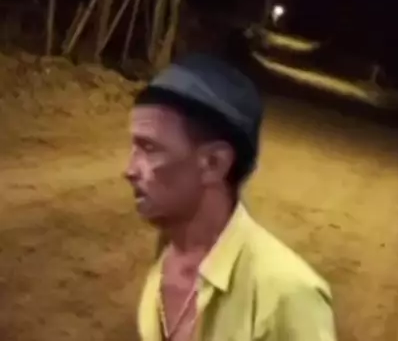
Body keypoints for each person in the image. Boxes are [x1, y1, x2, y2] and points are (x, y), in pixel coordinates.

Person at [125, 50, 337, 340]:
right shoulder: (166, 262)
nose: (129, 170)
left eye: (149, 149)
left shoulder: (288, 294)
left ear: (214, 164)